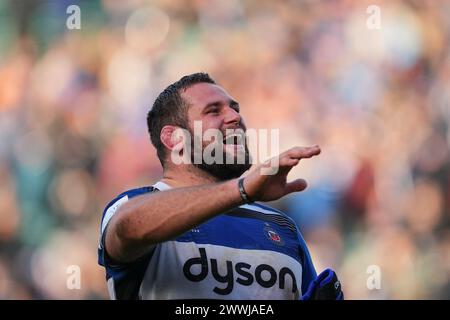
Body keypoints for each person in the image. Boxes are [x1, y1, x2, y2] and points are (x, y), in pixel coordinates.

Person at [98, 72, 343, 300]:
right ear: (174, 138)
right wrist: (242, 190)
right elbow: (128, 226)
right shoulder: (133, 206)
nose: (235, 117)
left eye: (235, 109)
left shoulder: (283, 227)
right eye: (213, 111)